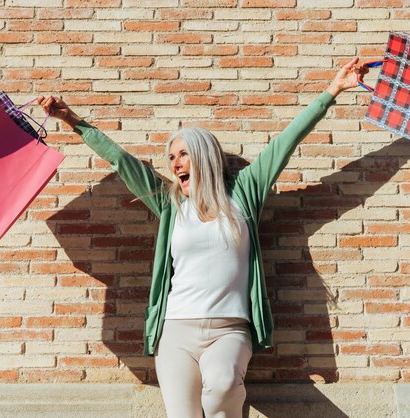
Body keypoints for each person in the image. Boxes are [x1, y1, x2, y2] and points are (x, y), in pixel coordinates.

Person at [38, 57, 367, 418]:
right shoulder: (169, 205)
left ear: (204, 156)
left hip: (230, 330)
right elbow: (121, 160)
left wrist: (332, 91)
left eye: (184, 154)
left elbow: (286, 141)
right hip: (176, 331)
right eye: (171, 158)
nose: (176, 163)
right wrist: (72, 120)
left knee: (224, 384)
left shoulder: (244, 192)